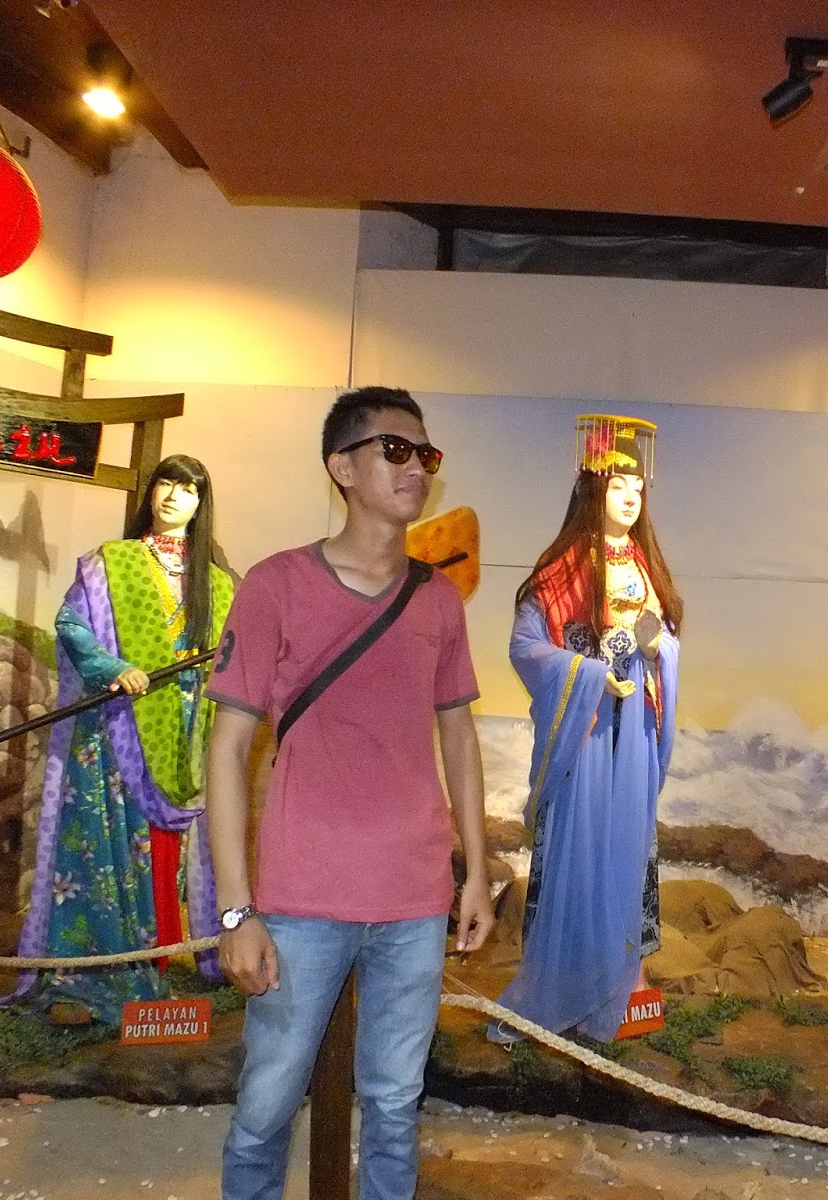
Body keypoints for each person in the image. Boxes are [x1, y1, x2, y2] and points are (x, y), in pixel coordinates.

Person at [205, 386, 493, 1200]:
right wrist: (235, 910)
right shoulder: (276, 585)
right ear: (341, 466)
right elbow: (227, 747)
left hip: (414, 897)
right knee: (266, 1105)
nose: (417, 468)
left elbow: (459, 736)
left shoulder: (438, 599)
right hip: (302, 897)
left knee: (396, 1105)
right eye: (395, 450)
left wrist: (476, 870)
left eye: (425, 454)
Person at [8, 454, 234, 1025]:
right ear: (151, 491)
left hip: (186, 734)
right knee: (112, 838)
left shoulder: (218, 582)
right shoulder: (110, 563)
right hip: (119, 726)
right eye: (166, 483)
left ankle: (159, 957)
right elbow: (71, 624)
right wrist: (111, 667)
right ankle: (103, 965)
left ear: (201, 504)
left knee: (167, 850)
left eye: (189, 488)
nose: (175, 495)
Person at [493, 414, 682, 1043]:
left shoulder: (645, 568)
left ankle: (622, 984)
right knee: (578, 849)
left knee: (628, 847)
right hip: (588, 731)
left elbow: (664, 638)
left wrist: (652, 648)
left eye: (638, 488)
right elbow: (526, 647)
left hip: (633, 735)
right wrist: (589, 674)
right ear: (593, 490)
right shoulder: (561, 573)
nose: (630, 497)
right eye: (617, 485)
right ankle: (562, 985)